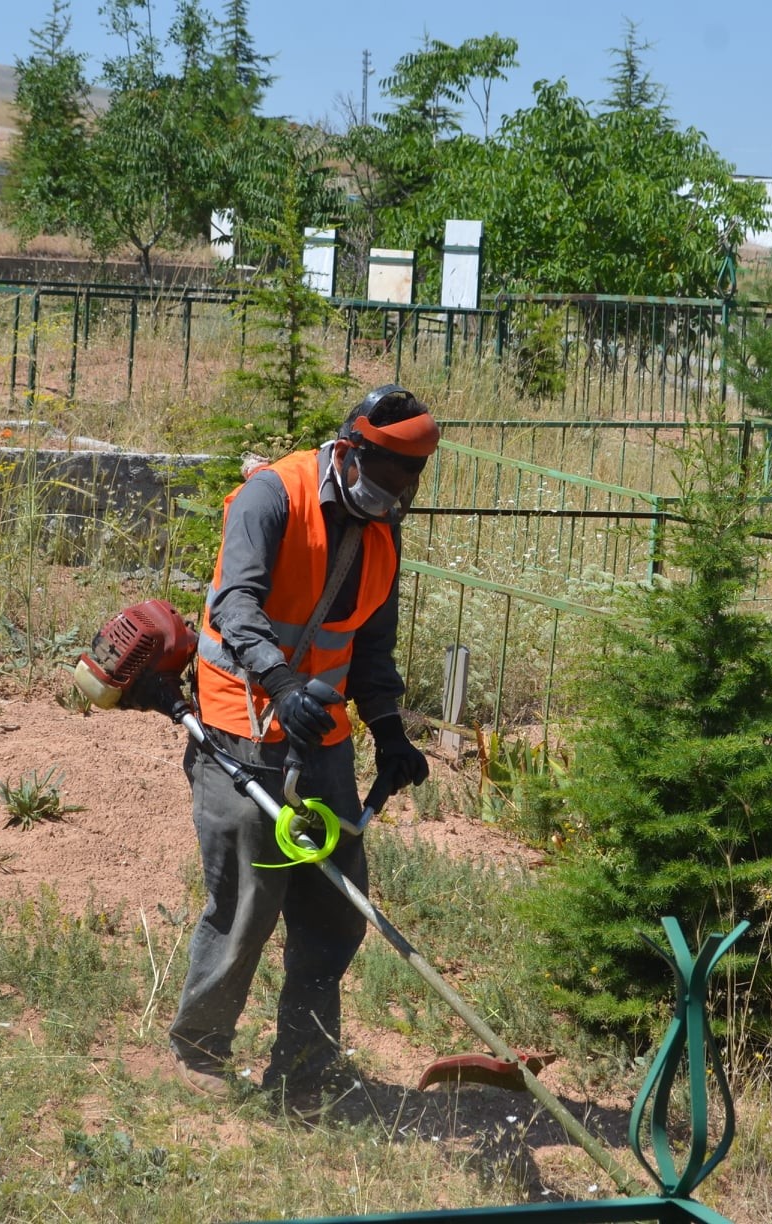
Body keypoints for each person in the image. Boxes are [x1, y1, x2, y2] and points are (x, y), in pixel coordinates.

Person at [166, 385, 436, 1107]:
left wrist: (390, 732)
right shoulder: (272, 497)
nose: (393, 496)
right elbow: (235, 604)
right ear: (347, 453)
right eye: (384, 478)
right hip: (243, 725)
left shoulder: (383, 527)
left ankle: (304, 1072)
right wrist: (281, 682)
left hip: (324, 741)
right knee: (246, 900)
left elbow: (371, 645)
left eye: (406, 483)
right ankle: (199, 1052)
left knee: (335, 910)